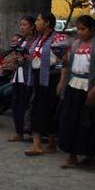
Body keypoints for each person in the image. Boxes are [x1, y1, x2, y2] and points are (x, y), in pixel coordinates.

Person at [57, 16, 95, 168]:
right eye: (78, 29)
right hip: (74, 85)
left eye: (83, 29)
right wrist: (62, 81)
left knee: (89, 123)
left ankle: (89, 156)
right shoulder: (75, 45)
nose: (80, 32)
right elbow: (68, 66)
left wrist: (94, 90)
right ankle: (72, 155)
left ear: (92, 29)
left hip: (90, 86)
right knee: (70, 120)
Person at [23, 14, 68, 156]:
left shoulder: (58, 39)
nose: (36, 23)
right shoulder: (38, 39)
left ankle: (51, 141)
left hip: (51, 77)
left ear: (47, 23)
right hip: (37, 77)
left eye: (38, 20)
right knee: (36, 107)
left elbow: (64, 62)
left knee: (50, 108)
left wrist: (62, 81)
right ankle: (36, 144)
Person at [5, 16, 35, 142]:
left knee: (26, 104)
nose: (22, 28)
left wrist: (26, 58)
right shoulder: (21, 41)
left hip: (29, 76)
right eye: (21, 25)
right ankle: (19, 131)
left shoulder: (34, 41)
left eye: (25, 25)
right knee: (16, 103)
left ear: (32, 27)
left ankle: (29, 130)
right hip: (19, 75)